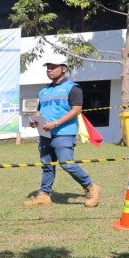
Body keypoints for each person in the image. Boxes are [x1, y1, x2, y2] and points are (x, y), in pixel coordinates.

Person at [25, 53, 101, 208]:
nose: (49, 70)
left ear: (63, 69)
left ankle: (91, 187)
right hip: (45, 134)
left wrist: (56, 123)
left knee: (67, 164)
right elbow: (40, 110)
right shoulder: (44, 91)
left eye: (53, 67)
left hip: (64, 133)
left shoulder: (72, 88)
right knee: (47, 165)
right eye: (48, 68)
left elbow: (77, 109)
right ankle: (44, 196)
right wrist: (35, 121)